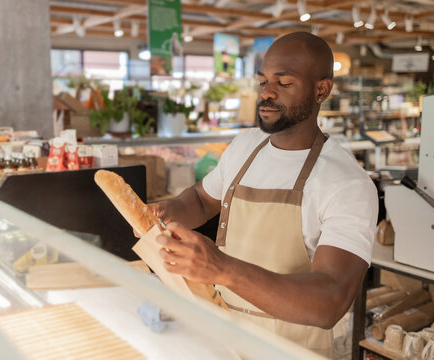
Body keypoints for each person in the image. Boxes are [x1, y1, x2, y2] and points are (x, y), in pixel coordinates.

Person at [149, 32, 378, 357]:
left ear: (321, 90)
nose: (267, 93)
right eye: (263, 81)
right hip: (222, 340)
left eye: (283, 83)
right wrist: (164, 211)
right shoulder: (245, 146)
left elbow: (331, 299)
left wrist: (221, 268)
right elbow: (201, 200)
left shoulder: (346, 183)